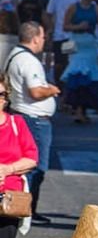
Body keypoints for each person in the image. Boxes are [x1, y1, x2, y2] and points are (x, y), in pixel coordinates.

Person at [5, 20, 58, 223]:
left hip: (27, 115)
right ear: (35, 38)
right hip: (34, 119)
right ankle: (25, 207)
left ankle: (24, 206)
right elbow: (35, 91)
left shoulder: (16, 55)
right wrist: (52, 90)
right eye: (43, 36)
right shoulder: (28, 60)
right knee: (35, 166)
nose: (44, 40)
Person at [0, 84, 37, 238]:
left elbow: (32, 158)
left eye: (1, 94)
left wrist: (8, 169)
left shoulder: (17, 123)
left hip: (8, 200)